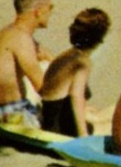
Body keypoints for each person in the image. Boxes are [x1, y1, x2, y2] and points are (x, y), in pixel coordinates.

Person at [0, 0, 53, 124]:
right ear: (38, 12)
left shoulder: (10, 32)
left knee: (46, 65)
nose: (52, 12)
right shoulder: (22, 39)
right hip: (8, 114)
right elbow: (44, 89)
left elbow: (46, 55)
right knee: (96, 124)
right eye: (50, 8)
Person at [39, 8, 111, 137]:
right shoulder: (82, 62)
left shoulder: (66, 55)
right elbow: (76, 96)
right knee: (118, 122)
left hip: (50, 122)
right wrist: (83, 136)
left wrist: (86, 111)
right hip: (62, 130)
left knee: (113, 110)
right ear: (100, 38)